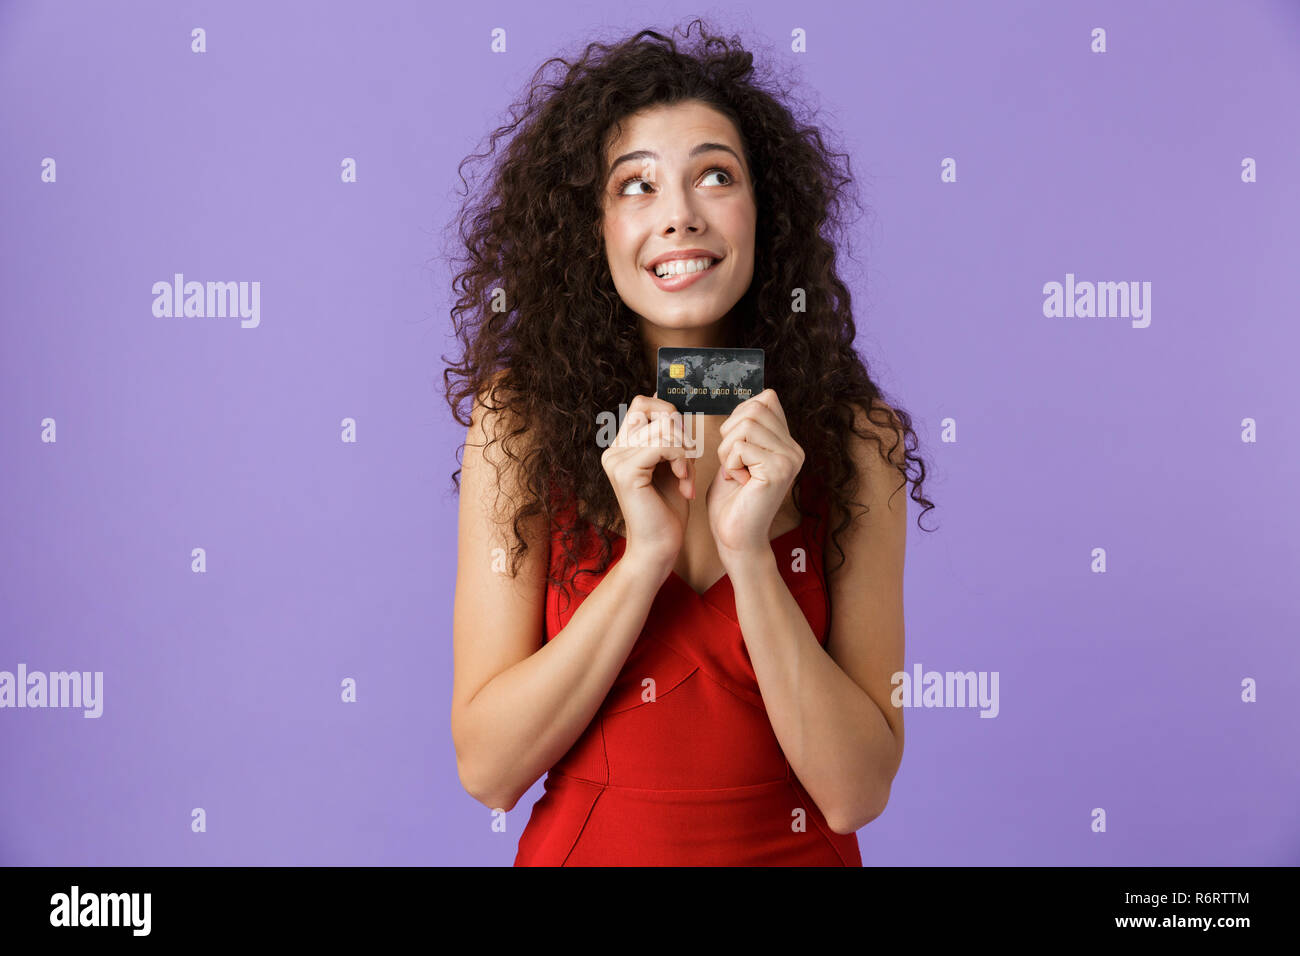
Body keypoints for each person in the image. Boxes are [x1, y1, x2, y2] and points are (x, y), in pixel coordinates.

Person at [444, 19, 936, 865]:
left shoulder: (859, 445)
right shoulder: (519, 426)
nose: (678, 216)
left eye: (715, 176)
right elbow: (489, 769)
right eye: (636, 186)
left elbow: (856, 793)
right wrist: (644, 560)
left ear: (764, 211)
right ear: (590, 228)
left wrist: (752, 557)